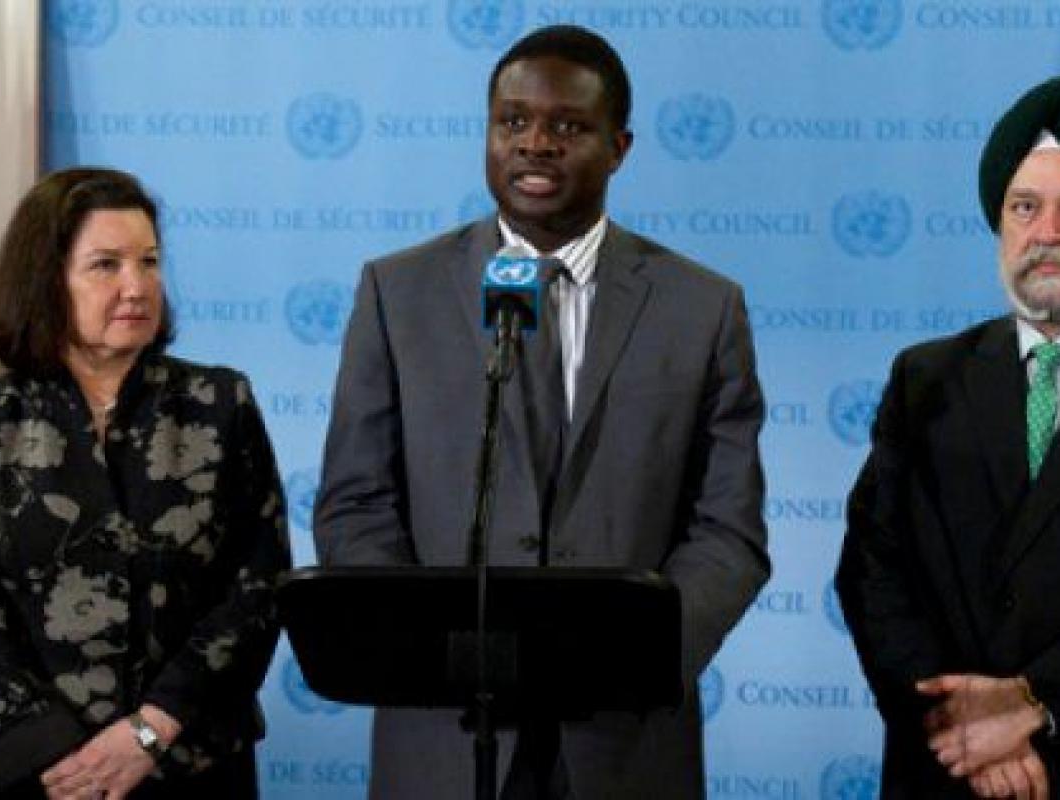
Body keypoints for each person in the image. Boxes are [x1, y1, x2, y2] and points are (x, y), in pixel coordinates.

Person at [314, 24, 769, 800]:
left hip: (624, 739)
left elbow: (728, 528)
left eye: (568, 126)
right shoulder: (398, 293)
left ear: (619, 148)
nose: (534, 144)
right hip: (445, 734)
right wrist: (432, 649)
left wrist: (640, 655)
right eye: (513, 121)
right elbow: (355, 503)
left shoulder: (702, 309)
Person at [836, 73, 1060, 798]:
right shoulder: (925, 378)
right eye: (1025, 206)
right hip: (946, 769)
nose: (1047, 232)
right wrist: (958, 727)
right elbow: (873, 570)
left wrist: (1036, 707)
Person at [0, 168, 291, 799]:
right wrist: (56, 754)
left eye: (148, 261)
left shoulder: (220, 402)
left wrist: (151, 730)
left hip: (192, 762)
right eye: (107, 265)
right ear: (46, 281)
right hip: (39, 774)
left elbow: (259, 585)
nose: (137, 285)